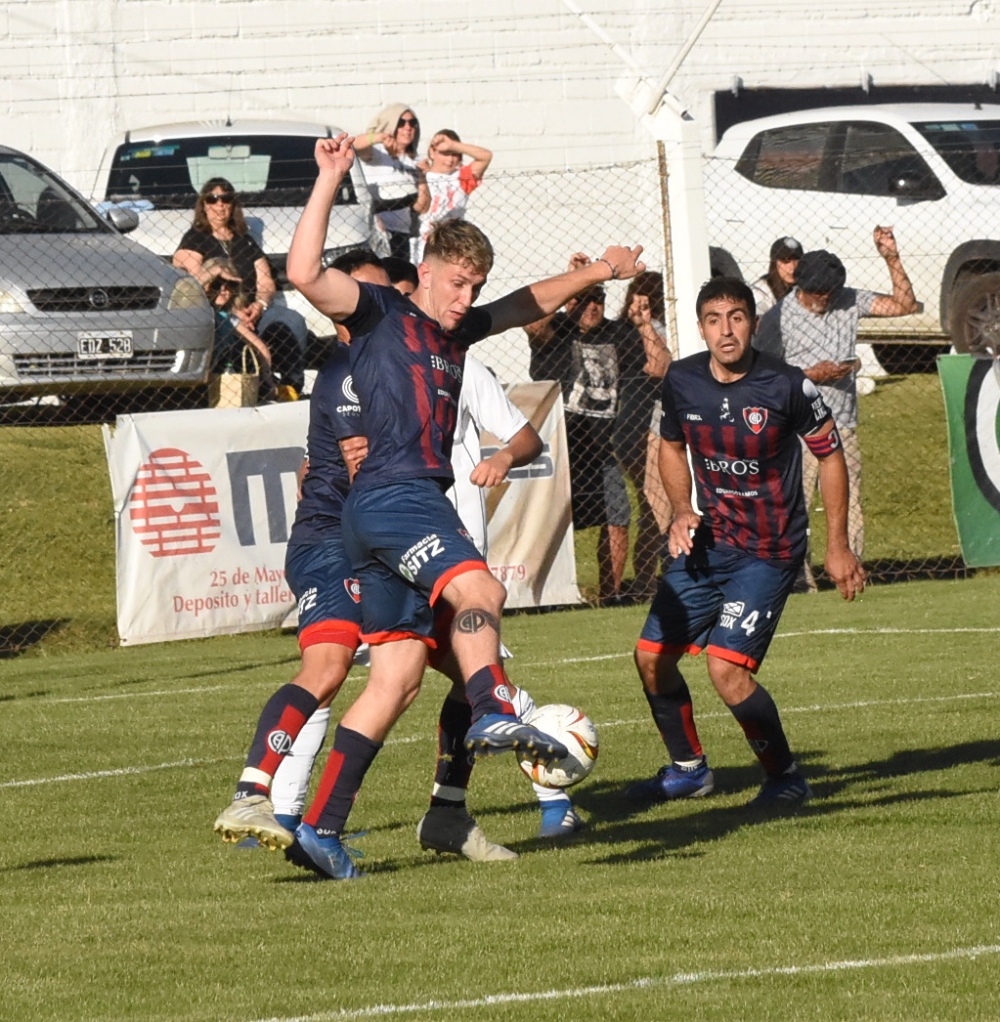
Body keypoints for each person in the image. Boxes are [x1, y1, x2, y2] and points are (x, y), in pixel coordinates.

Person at [284, 133, 643, 879]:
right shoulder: (382, 311)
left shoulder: (462, 326)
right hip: (394, 498)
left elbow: (528, 302)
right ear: (425, 274)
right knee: (480, 588)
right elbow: (302, 273)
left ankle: (322, 827)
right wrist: (328, 180)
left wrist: (604, 271)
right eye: (455, 283)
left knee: (397, 679)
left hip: (387, 513)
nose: (465, 299)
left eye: (474, 286)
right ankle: (491, 712)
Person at [629, 276, 867, 809]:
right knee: (650, 658)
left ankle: (786, 778)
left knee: (726, 670)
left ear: (753, 324)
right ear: (701, 328)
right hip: (710, 543)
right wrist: (681, 510)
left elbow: (829, 456)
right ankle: (689, 771)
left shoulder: (787, 385)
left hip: (769, 549)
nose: (726, 330)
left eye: (736, 317)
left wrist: (837, 545)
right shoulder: (682, 380)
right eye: (714, 320)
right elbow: (670, 445)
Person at [755, 227, 919, 590]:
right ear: (801, 287)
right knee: (795, 501)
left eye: (828, 292)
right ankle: (798, 577)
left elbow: (904, 305)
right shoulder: (778, 317)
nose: (823, 300)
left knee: (850, 501)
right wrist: (812, 374)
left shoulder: (849, 299)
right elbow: (761, 375)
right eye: (816, 293)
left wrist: (891, 257)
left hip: (842, 422)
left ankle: (852, 568)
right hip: (797, 426)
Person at [524, 256, 632, 605]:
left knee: (618, 515)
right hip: (560, 446)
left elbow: (656, 364)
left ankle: (611, 594)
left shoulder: (616, 333)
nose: (591, 306)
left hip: (603, 448)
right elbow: (532, 325)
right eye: (582, 299)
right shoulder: (556, 331)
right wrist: (571, 278)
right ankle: (549, 593)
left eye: (597, 298)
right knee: (554, 521)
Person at [173, 177, 308, 396]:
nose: (219, 205)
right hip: (218, 311)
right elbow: (194, 287)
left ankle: (292, 386)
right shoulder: (194, 240)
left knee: (291, 320)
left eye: (225, 199)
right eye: (212, 199)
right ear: (203, 205)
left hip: (253, 309)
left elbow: (265, 280)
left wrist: (259, 305)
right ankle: (261, 386)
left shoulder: (244, 240)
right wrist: (233, 311)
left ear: (233, 204)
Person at [613, 271, 672, 600]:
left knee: (662, 506)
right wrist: (644, 323)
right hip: (643, 430)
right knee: (656, 506)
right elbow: (659, 366)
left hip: (661, 428)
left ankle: (653, 578)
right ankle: (645, 584)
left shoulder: (663, 326)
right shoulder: (629, 331)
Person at [353, 104, 429, 259]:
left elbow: (421, 207)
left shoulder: (416, 161)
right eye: (401, 123)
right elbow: (354, 145)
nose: (408, 128)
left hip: (402, 233)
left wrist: (422, 178)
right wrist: (380, 137)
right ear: (392, 124)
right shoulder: (378, 153)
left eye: (412, 123)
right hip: (377, 229)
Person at [201, 257, 276, 401]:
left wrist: (268, 380)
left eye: (229, 285)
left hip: (223, 373)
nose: (223, 290)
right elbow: (191, 286)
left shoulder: (229, 317)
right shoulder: (197, 310)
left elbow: (260, 348)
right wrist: (215, 271)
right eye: (217, 284)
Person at [413, 130, 493, 263]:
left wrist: (453, 145)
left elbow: (486, 156)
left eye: (455, 154)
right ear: (432, 153)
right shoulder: (420, 176)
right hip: (420, 241)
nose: (450, 159)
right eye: (445, 153)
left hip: (450, 243)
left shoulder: (459, 178)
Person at [749, 236, 803, 318]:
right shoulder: (760, 291)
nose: (792, 268)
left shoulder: (804, 285)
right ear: (774, 263)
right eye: (786, 261)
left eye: (796, 260)